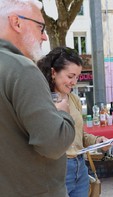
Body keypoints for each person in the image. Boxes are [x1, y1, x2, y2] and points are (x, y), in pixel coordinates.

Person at [0, 0, 76, 196]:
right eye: (40, 27)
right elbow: (53, 144)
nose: (44, 36)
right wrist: (63, 114)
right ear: (16, 23)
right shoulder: (22, 69)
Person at [37, 47, 110, 197]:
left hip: (80, 167)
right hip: (56, 167)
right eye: (70, 76)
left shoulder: (74, 99)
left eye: (77, 77)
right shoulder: (40, 100)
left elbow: (79, 135)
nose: (74, 82)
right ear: (53, 72)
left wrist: (98, 141)